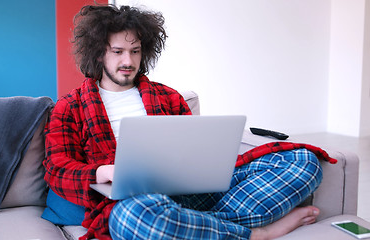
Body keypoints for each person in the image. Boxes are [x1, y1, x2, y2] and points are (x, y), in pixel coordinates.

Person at [43, 4, 324, 240]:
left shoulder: (168, 97)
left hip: (191, 192)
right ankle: (254, 234)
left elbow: (194, 151)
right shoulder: (71, 107)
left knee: (304, 160)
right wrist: (103, 171)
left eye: (136, 51)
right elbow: (57, 170)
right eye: (117, 52)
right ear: (99, 53)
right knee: (135, 216)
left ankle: (193, 225)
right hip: (135, 201)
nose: (128, 60)